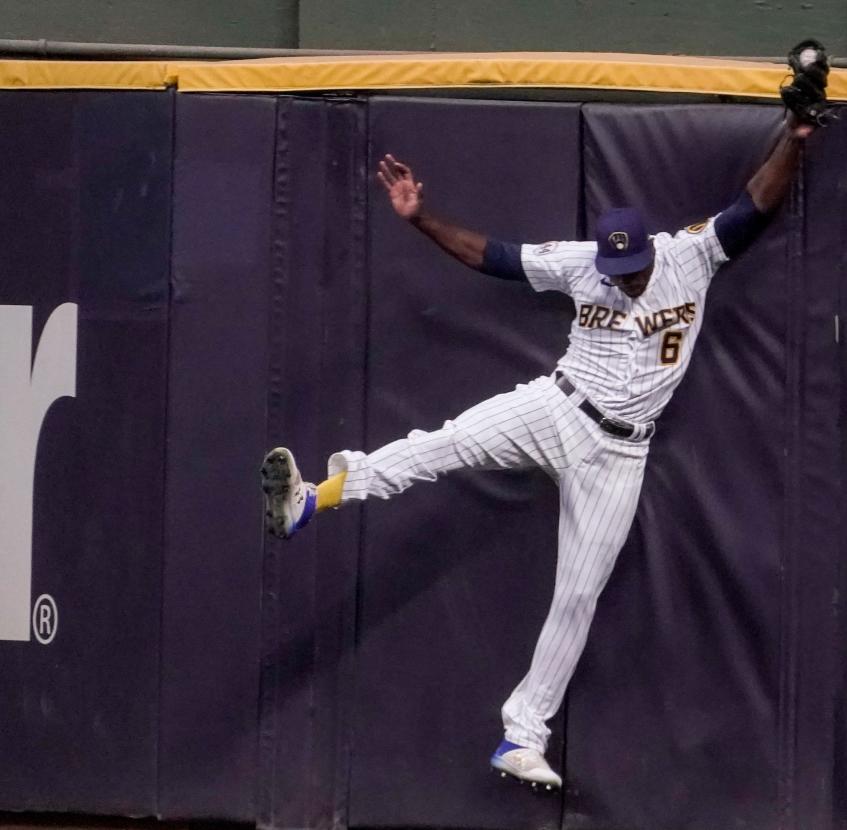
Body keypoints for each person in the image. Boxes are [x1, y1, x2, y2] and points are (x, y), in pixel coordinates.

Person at [260, 113, 816, 790]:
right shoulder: (585, 264)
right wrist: (419, 216)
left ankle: (521, 738)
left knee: (577, 596)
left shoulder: (689, 255)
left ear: (648, 251)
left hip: (622, 456)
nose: (623, 278)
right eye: (616, 269)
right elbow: (488, 254)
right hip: (559, 406)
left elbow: (757, 200)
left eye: (631, 267)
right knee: (447, 443)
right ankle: (309, 500)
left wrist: (794, 136)